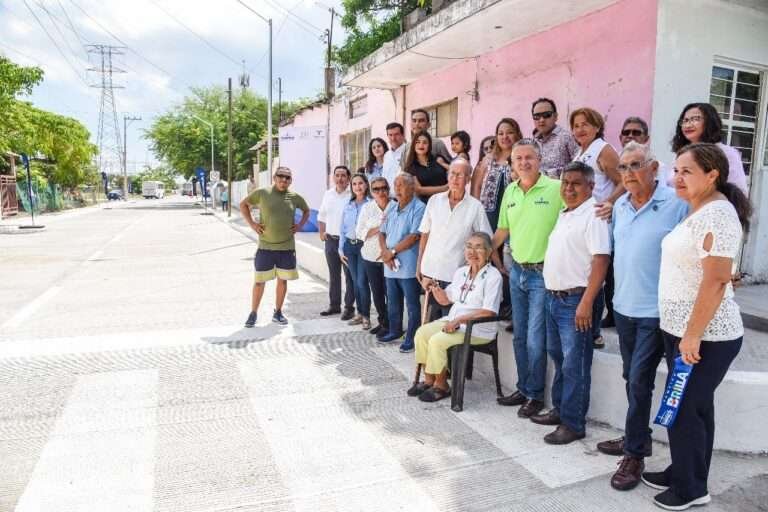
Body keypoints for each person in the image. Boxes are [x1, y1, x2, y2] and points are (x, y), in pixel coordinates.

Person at [642, 142, 752, 511]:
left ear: (712, 174)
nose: (677, 178)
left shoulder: (718, 214)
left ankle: (690, 489)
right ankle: (685, 471)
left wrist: (691, 335)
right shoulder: (700, 209)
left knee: (684, 408)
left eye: (686, 171)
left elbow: (717, 280)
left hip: (707, 335)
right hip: (684, 331)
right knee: (697, 407)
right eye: (676, 171)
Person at [595, 142, 689, 491]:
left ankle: (634, 454)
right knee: (632, 378)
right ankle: (638, 436)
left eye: (636, 165)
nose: (629, 173)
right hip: (624, 308)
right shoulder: (619, 205)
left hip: (656, 312)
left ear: (654, 168)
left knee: (638, 381)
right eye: (623, 167)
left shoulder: (676, 204)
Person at [534, 161, 610, 444]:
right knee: (559, 357)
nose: (568, 188)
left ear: (591, 186)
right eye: (565, 183)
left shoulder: (594, 214)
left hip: (576, 300)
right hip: (554, 298)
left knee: (574, 365)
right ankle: (560, 409)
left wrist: (587, 302)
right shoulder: (567, 213)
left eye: (576, 183)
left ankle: (573, 422)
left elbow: (601, 260)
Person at [493, 139, 563, 418]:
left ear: (540, 159)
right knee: (520, 335)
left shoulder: (557, 189)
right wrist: (483, 252)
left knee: (535, 337)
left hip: (542, 274)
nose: (523, 162)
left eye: (529, 157)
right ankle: (524, 388)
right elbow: (502, 230)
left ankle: (535, 394)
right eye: (518, 158)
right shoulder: (510, 190)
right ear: (511, 163)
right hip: (517, 271)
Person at [408, 232, 503, 402]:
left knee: (437, 340)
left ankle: (442, 385)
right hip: (453, 322)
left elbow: (489, 311)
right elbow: (446, 299)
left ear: (489, 252)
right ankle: (429, 379)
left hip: (477, 328)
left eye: (478, 247)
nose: (472, 251)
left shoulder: (493, 276)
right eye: (469, 246)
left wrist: (459, 320)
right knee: (422, 333)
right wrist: (435, 288)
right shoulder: (461, 272)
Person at [571, 107, 624, 340]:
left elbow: (624, 181)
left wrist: (609, 202)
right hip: (582, 221)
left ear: (597, 126)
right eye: (576, 125)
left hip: (599, 220)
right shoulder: (580, 152)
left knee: (596, 275)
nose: (580, 129)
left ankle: (594, 333)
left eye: (585, 124)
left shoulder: (603, 150)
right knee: (585, 271)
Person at [417, 159, 492, 322]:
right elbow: (425, 234)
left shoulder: (475, 207)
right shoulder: (434, 200)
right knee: (428, 323)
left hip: (456, 276)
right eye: (452, 173)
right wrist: (419, 266)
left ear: (468, 179)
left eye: (460, 175)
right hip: (430, 272)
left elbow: (485, 240)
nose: (455, 178)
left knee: (451, 325)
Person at [240, 167, 309, 327]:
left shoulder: (294, 197)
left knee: (283, 281)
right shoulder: (262, 193)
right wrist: (253, 224)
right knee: (259, 281)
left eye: (287, 178)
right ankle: (253, 313)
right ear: (274, 177)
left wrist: (299, 225)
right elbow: (244, 205)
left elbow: (306, 211)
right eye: (281, 176)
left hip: (286, 247)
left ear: (290, 180)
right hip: (265, 247)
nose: (283, 180)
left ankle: (278, 312)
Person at [377, 174, 426, 353]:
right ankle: (395, 330)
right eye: (396, 185)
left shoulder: (419, 208)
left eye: (402, 185)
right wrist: (384, 253)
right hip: (389, 263)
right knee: (393, 300)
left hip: (407, 264)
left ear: (412, 188)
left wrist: (392, 252)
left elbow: (414, 236)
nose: (397, 188)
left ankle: (412, 338)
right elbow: (381, 233)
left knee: (412, 304)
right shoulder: (391, 207)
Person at [671, 102, 748, 194]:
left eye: (695, 119)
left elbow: (738, 191)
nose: (688, 125)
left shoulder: (727, 153)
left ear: (710, 122)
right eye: (685, 120)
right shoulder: (682, 154)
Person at [356, 176, 393, 335]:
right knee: (377, 293)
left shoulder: (395, 206)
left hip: (389, 258)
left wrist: (374, 230)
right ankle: (383, 322)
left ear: (388, 189)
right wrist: (381, 227)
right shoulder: (367, 208)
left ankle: (393, 324)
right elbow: (360, 233)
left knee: (390, 293)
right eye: (376, 189)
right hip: (370, 257)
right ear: (372, 191)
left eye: (383, 188)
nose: (381, 192)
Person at [317, 166, 355, 320]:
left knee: (349, 276)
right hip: (331, 241)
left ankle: (349, 308)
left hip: (346, 242)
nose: (340, 178)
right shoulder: (328, 194)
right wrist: (321, 231)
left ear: (348, 178)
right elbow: (322, 215)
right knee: (334, 275)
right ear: (333, 177)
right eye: (337, 175)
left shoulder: (352, 195)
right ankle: (334, 306)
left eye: (343, 176)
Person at [471, 118, 522, 230]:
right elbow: (476, 187)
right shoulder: (488, 160)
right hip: (487, 216)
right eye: (500, 133)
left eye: (510, 132)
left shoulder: (521, 159)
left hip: (514, 214)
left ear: (517, 134)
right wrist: (475, 213)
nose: (505, 137)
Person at [340, 173, 372, 329]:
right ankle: (359, 314)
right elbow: (342, 228)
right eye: (354, 184)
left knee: (362, 281)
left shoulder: (371, 204)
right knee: (354, 282)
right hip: (349, 246)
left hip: (364, 247)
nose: (357, 187)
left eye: (360, 183)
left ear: (366, 185)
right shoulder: (348, 205)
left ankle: (366, 315)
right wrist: (340, 248)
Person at [531, 98, 580, 178]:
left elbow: (580, 166)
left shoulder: (566, 137)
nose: (541, 120)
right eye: (537, 116)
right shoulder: (533, 142)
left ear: (556, 116)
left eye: (547, 115)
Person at [403, 130, 448, 203]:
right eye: (418, 142)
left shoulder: (438, 159)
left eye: (425, 142)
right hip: (426, 206)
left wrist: (443, 164)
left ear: (429, 145)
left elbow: (454, 170)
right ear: (413, 145)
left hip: (446, 202)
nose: (421, 145)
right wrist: (445, 188)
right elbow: (419, 190)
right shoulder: (410, 167)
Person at [382, 122, 407, 194]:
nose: (393, 138)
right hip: (388, 198)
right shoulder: (386, 155)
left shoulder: (409, 152)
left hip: (404, 196)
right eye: (390, 135)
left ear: (402, 135)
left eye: (396, 134)